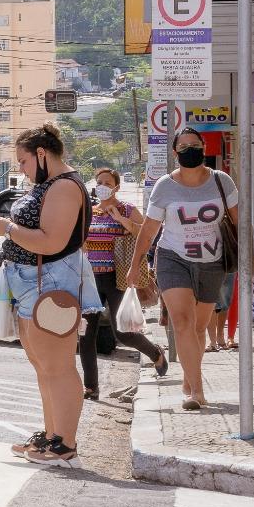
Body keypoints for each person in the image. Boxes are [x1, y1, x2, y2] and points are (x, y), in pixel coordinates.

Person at [0, 123, 100, 468]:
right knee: (43, 365)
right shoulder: (50, 184)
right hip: (32, 281)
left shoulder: (64, 187)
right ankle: (52, 436)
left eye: (22, 161)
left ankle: (65, 446)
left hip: (51, 280)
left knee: (58, 365)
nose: (20, 169)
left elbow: (51, 241)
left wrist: (6, 228)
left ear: (41, 154)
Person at [128, 127, 238, 411]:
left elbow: (239, 221)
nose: (190, 149)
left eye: (195, 144)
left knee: (200, 327)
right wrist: (135, 264)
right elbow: (150, 228)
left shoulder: (221, 181)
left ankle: (189, 380)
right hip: (173, 257)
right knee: (183, 323)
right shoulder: (165, 185)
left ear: (204, 147)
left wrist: (248, 259)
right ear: (175, 153)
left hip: (212, 261)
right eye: (184, 146)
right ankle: (196, 391)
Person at [78, 168, 167, 399]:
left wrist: (120, 219)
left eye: (107, 182)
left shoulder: (127, 209)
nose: (102, 186)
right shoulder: (89, 211)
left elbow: (146, 234)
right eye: (99, 182)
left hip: (117, 278)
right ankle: (91, 387)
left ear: (117, 187)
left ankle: (155, 353)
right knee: (86, 334)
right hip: (90, 279)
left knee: (123, 332)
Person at [208, 273, 237, 352]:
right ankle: (213, 341)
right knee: (210, 299)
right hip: (208, 264)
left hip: (227, 265)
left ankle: (220, 336)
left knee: (224, 300)